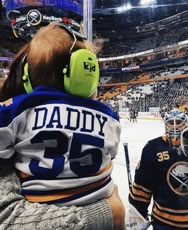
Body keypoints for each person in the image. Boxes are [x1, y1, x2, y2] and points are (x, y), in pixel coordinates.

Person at [0, 22, 125, 228]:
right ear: (85, 76)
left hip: (41, 207)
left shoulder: (16, 110)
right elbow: (110, 152)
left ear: (28, 80)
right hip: (102, 207)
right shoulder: (110, 117)